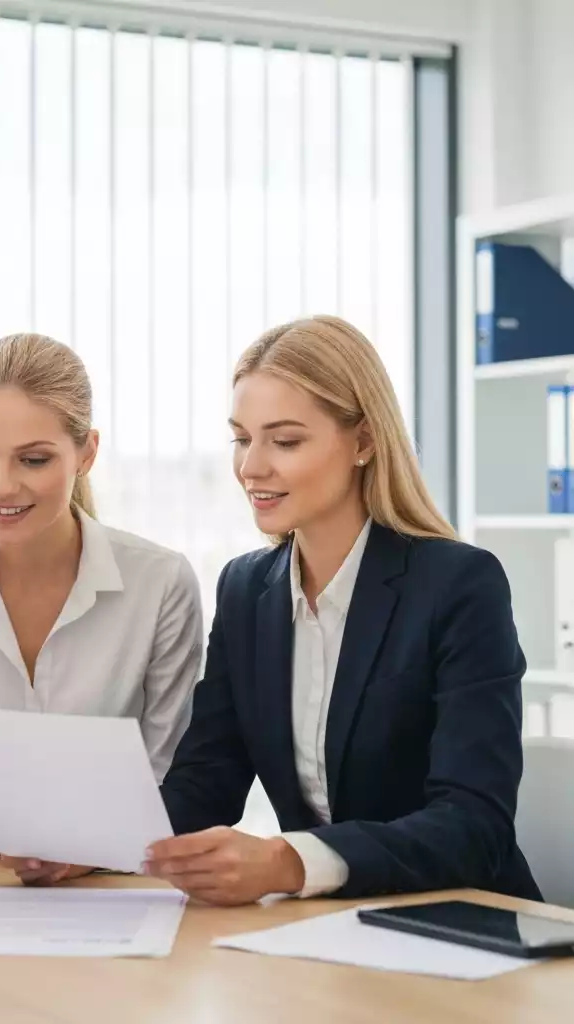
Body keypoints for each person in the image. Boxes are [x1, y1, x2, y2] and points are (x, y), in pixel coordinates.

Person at [144, 314, 540, 906]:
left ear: (363, 442)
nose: (252, 466)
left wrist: (288, 861)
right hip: (326, 931)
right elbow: (206, 782)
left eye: (284, 441)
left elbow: (473, 825)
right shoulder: (245, 590)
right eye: (242, 438)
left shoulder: (460, 585)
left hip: (462, 923)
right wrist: (90, 847)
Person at [0, 332, 203, 883]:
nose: (1, 486)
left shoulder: (160, 583)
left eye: (34, 459)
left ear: (87, 452)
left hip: (115, 883)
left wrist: (87, 845)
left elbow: (163, 770)